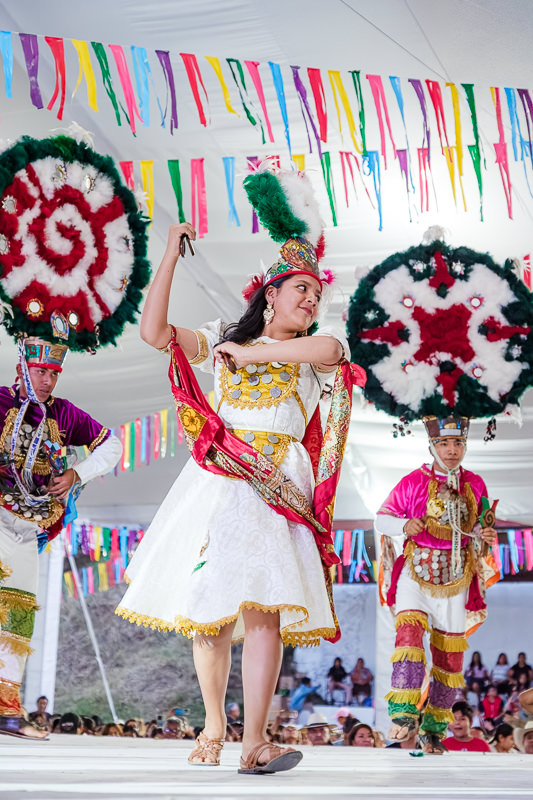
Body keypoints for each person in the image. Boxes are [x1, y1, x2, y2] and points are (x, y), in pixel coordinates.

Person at [116, 166, 364, 776]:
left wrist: (249, 351)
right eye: (300, 290)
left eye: (316, 293)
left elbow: (330, 353)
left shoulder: (313, 348)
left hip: (278, 483)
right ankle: (211, 724)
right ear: (270, 294)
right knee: (210, 609)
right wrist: (168, 257)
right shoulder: (220, 338)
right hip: (221, 481)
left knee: (263, 612)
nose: (311, 300)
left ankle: (254, 740)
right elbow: (153, 334)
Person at [0, 338, 122, 740]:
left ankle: (6, 709)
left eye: (53, 373)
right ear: (21, 369)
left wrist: (76, 473)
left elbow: (112, 444)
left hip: (27, 526)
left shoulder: (65, 415)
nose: (48, 381)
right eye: (40, 372)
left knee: (19, 614)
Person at [377, 416, 498, 754]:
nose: (451, 450)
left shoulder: (475, 483)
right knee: (408, 637)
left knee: (449, 656)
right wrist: (404, 525)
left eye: (457, 443)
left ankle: (434, 727)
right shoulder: (414, 481)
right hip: (416, 570)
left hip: (456, 573)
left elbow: (480, 526)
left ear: (465, 445)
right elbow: (381, 517)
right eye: (444, 443)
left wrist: (484, 534)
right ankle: (403, 715)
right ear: (432, 445)